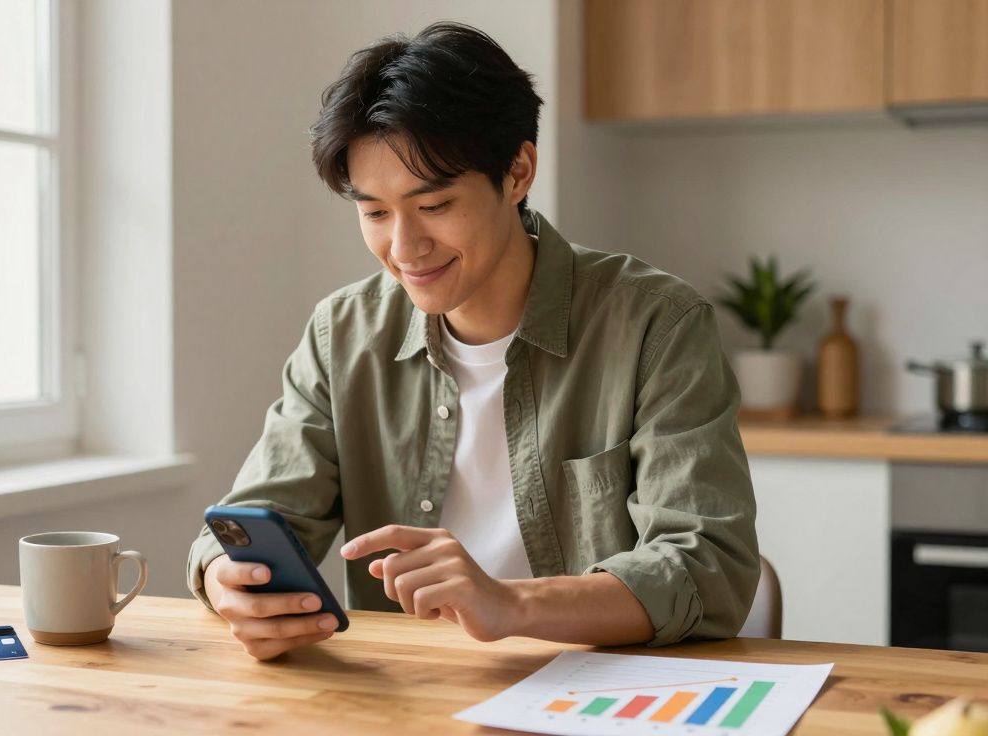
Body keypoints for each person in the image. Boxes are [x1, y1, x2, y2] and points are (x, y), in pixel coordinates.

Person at [186, 21, 758, 662]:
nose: (404, 250)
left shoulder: (657, 324)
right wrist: (225, 578)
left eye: (434, 205)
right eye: (374, 212)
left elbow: (709, 569)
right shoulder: (340, 334)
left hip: (597, 693)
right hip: (408, 695)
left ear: (517, 171)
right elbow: (253, 520)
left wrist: (511, 604)